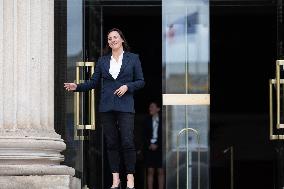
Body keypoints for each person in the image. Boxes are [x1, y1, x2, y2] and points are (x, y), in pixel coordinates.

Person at [64, 28, 145, 189]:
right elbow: (93, 82)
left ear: (122, 39)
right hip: (107, 107)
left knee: (127, 142)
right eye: (109, 39)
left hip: (125, 106)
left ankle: (130, 177)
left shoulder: (133, 58)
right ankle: (116, 179)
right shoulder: (102, 61)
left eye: (115, 37)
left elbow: (141, 81)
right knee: (111, 143)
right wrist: (77, 86)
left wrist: (127, 86)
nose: (112, 40)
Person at [143, 102, 164, 189]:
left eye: (152, 107)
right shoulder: (146, 120)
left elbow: (165, 134)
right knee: (150, 171)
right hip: (150, 148)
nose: (150, 109)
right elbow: (144, 135)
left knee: (161, 171)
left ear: (158, 109)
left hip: (160, 148)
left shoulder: (163, 120)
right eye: (149, 107)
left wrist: (158, 144)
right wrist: (149, 144)